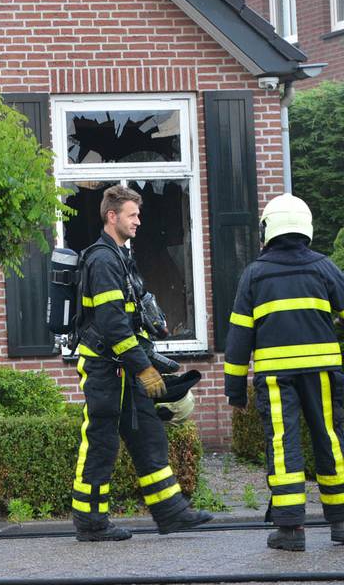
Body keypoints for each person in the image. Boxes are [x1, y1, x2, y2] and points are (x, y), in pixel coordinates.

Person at [69, 185, 212, 541]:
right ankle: (91, 523)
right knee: (101, 442)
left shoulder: (120, 255)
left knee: (148, 435)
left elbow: (131, 313)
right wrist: (143, 368)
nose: (139, 221)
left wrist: (152, 337)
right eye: (132, 215)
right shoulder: (102, 260)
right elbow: (112, 324)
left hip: (124, 366)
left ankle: (171, 513)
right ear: (112, 216)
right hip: (104, 367)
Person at [224, 194, 344, 551]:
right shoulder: (324, 267)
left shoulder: (255, 274)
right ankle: (340, 522)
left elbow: (239, 335)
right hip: (322, 373)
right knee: (331, 441)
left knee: (283, 446)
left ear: (269, 228)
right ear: (304, 226)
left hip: (276, 378)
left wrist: (234, 388)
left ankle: (291, 530)